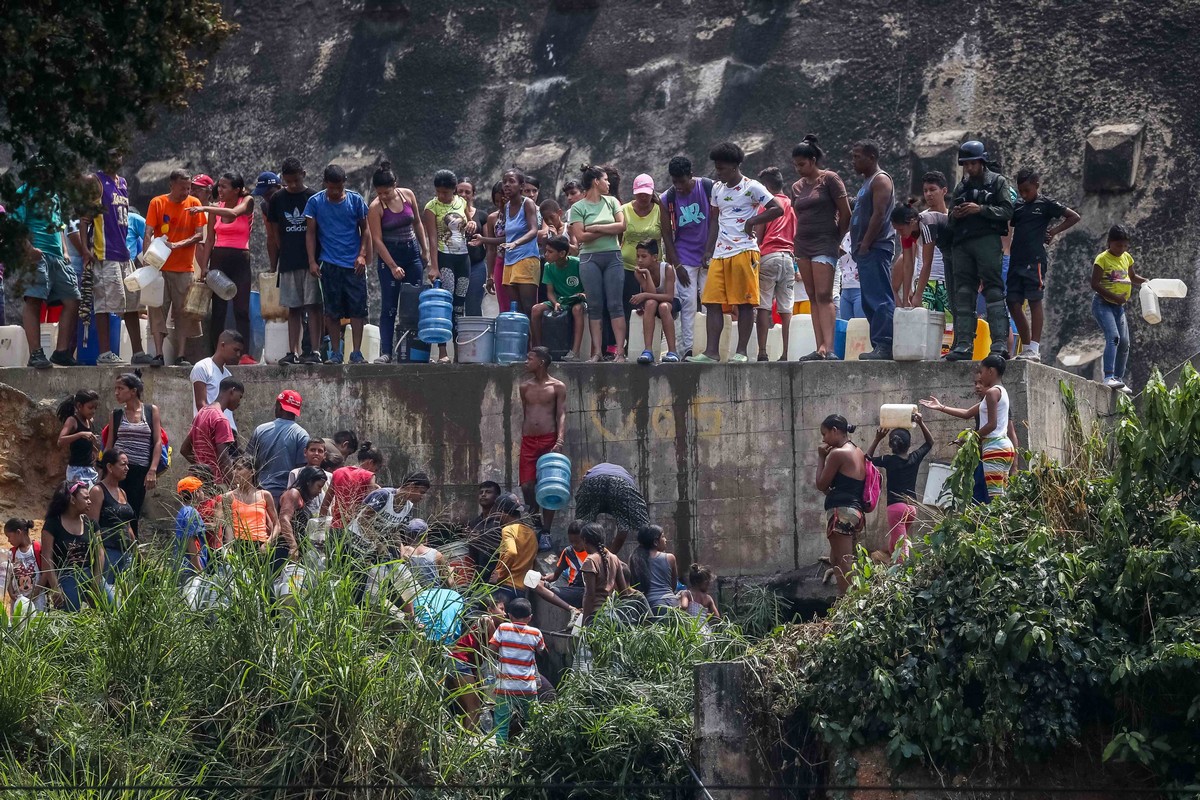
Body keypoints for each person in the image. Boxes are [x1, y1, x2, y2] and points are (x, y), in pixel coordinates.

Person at [688, 142, 782, 363]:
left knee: (744, 302)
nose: (717, 172)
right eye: (716, 168)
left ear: (735, 166)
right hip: (720, 253)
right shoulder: (718, 190)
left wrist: (753, 221)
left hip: (744, 250)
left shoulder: (753, 187)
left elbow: (777, 208)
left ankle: (741, 352)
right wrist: (708, 249)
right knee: (711, 301)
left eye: (721, 168)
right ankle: (712, 352)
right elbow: (714, 219)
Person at [945, 141, 1015, 360]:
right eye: (966, 164)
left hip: (987, 241)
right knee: (963, 293)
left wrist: (980, 209)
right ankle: (964, 344)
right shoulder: (961, 187)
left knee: (993, 291)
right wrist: (956, 214)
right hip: (963, 244)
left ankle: (999, 345)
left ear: (982, 162)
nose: (969, 168)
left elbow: (1007, 210)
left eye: (973, 163)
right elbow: (949, 219)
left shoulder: (997, 182)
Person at [81, 149, 147, 366]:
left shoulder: (122, 183)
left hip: (123, 252)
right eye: (110, 154)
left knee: (131, 302)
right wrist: (85, 250)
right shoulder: (96, 181)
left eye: (119, 155)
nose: (115, 159)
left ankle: (137, 352)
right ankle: (105, 353)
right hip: (104, 252)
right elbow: (84, 219)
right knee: (105, 303)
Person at [1008, 168, 1081, 362]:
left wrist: (1054, 231)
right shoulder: (1019, 207)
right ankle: (1025, 349)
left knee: (1034, 300)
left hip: (1035, 260)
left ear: (1037, 186)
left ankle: (1034, 348)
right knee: (1013, 302)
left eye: (1027, 190)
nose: (1024, 195)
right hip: (1016, 260)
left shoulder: (1046, 204)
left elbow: (1074, 216)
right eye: (1020, 191)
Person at [921, 354, 1018, 499]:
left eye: (982, 371)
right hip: (1004, 447)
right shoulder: (1001, 391)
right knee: (1000, 495)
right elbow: (967, 413)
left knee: (995, 499)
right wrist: (941, 407)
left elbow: (992, 425)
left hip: (994, 447)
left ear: (991, 371)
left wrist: (971, 439)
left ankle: (996, 521)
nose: (981, 375)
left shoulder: (992, 392)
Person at [790, 136, 851, 360]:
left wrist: (837, 238)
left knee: (825, 295)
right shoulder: (796, 187)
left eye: (802, 164)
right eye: (795, 165)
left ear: (813, 160)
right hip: (803, 243)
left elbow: (846, 213)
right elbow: (799, 214)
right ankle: (820, 348)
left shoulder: (830, 179)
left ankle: (831, 347)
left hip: (825, 241)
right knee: (813, 295)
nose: (798, 169)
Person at [305, 164, 372, 364]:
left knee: (357, 310)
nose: (335, 192)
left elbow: (365, 230)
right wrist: (312, 261)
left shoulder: (355, 201)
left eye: (339, 188)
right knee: (332, 311)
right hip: (329, 262)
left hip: (353, 264)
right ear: (325, 183)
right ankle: (336, 352)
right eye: (331, 187)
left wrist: (362, 255)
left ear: (344, 184)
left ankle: (357, 352)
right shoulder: (315, 202)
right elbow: (310, 233)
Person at [368, 161, 431, 363]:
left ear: (395, 184)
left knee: (416, 302)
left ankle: (416, 351)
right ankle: (387, 352)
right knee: (389, 305)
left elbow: (418, 223)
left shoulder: (408, 195)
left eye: (386, 192)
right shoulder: (376, 208)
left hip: (411, 253)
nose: (383, 196)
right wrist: (393, 266)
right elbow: (377, 240)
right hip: (390, 257)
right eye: (380, 193)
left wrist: (425, 249)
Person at [14, 178, 81, 368]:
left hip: (58, 257)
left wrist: (65, 251)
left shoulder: (53, 194)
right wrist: (29, 249)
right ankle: (35, 353)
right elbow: (15, 225)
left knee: (73, 299)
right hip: (37, 254)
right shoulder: (23, 192)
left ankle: (61, 352)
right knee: (34, 300)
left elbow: (59, 225)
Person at [145, 169, 206, 367]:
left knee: (183, 313)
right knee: (157, 310)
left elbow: (199, 235)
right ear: (172, 185)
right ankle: (158, 354)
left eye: (189, 188)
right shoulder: (158, 202)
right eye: (182, 188)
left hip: (184, 268)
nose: (186, 192)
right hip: (160, 268)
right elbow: (148, 233)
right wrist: (147, 261)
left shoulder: (194, 204)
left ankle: (181, 355)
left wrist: (177, 245)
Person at [192, 173, 256, 361]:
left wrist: (205, 207)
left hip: (240, 259)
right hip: (219, 260)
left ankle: (244, 354)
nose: (219, 190)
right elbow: (210, 239)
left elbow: (235, 213)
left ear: (236, 190)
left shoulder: (247, 201)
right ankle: (215, 354)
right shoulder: (215, 208)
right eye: (218, 186)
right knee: (218, 310)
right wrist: (204, 267)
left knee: (241, 310)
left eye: (224, 187)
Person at [568, 165, 627, 361]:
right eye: (605, 179)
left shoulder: (612, 202)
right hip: (589, 258)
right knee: (594, 306)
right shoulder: (578, 207)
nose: (608, 183)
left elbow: (622, 226)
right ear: (596, 182)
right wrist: (605, 230)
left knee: (616, 305)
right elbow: (581, 237)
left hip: (613, 257)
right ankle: (597, 353)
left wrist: (597, 227)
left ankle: (620, 352)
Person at [266, 158, 322, 365]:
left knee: (314, 305)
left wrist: (315, 259)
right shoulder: (277, 199)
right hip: (289, 261)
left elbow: (318, 230)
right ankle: (293, 351)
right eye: (288, 182)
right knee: (293, 308)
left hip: (312, 262)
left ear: (304, 175)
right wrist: (278, 260)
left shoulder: (314, 197)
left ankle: (315, 350)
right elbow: (274, 234)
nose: (292, 186)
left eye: (296, 181)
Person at [848, 140, 897, 360]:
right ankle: (878, 344)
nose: (853, 161)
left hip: (876, 247)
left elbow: (879, 214)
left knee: (880, 298)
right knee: (869, 300)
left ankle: (885, 345)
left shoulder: (880, 180)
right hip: (865, 250)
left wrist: (866, 243)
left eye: (858, 156)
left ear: (872, 157)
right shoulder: (866, 183)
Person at [661, 157, 712, 359]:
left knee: (710, 303)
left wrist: (711, 250)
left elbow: (718, 219)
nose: (679, 186)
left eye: (682, 181)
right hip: (684, 256)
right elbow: (666, 234)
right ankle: (688, 349)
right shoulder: (668, 198)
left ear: (691, 175)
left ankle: (709, 348)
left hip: (709, 254)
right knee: (688, 303)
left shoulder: (708, 187)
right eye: (675, 182)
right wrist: (678, 264)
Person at [620, 174, 679, 342]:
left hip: (654, 268)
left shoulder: (660, 209)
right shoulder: (624, 210)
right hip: (627, 266)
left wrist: (669, 264)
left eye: (646, 193)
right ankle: (628, 343)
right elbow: (618, 238)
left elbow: (667, 237)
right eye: (639, 193)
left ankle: (654, 345)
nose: (643, 197)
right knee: (628, 306)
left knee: (652, 304)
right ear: (634, 192)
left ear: (652, 191)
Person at [867, 412, 934, 560]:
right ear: (909, 445)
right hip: (912, 508)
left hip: (896, 509)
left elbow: (868, 459)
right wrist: (921, 423)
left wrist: (877, 439)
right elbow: (930, 442)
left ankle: (902, 574)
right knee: (895, 542)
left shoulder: (889, 460)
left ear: (891, 445)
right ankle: (894, 564)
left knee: (900, 547)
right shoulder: (914, 458)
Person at [101, 373, 162, 535]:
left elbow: (157, 442)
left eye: (120, 388)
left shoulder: (150, 411)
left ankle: (131, 552)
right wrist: (102, 471)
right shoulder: (116, 414)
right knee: (113, 510)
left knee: (132, 512)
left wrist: (152, 470)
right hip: (116, 470)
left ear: (133, 391)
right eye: (115, 389)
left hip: (139, 471)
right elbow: (110, 445)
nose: (116, 393)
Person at [422, 169, 473, 360]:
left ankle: (459, 351)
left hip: (463, 257)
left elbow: (469, 222)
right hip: (445, 257)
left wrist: (472, 225)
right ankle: (442, 351)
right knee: (445, 304)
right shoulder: (431, 207)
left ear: (454, 190)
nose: (442, 196)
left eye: (445, 192)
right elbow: (432, 238)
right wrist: (433, 266)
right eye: (438, 192)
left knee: (460, 305)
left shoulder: (462, 202)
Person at [814, 414, 867, 595]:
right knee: (836, 560)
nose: (823, 439)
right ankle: (844, 604)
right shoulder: (857, 451)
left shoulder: (837, 454)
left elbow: (821, 484)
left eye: (825, 434)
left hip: (842, 512)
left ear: (835, 431)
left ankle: (851, 605)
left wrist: (821, 457)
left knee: (844, 562)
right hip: (854, 511)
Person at [1089, 225, 1146, 389]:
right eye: (1118, 245)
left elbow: (1133, 277)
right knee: (1114, 337)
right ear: (1109, 243)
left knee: (1125, 342)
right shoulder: (1102, 259)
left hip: (1118, 307)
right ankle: (1108, 376)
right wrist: (1115, 297)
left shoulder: (1127, 257)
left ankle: (1119, 378)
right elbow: (1094, 284)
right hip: (1103, 304)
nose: (1122, 249)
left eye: (1125, 245)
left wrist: (1147, 282)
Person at [519, 347, 567, 534]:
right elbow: (526, 413)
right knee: (527, 485)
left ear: (541, 362)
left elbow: (561, 413)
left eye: (529, 358)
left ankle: (545, 530)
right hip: (529, 440)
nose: (526, 362)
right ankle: (535, 522)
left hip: (549, 439)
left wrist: (560, 440)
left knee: (550, 486)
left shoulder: (557, 386)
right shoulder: (525, 387)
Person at [753, 167, 799, 361]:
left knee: (763, 306)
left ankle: (762, 352)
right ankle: (786, 353)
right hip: (788, 258)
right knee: (786, 308)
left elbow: (759, 235)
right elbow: (796, 235)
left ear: (766, 186)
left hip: (769, 256)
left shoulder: (766, 205)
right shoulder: (791, 205)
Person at [488, 597, 546, 743]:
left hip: (505, 688)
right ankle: (532, 751)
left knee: (501, 725)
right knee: (532, 723)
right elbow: (542, 652)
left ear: (510, 616)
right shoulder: (536, 633)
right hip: (527, 687)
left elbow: (491, 650)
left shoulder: (503, 628)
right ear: (530, 617)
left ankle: (500, 756)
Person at [39, 482, 101, 612]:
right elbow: (47, 558)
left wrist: (96, 580)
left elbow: (100, 553)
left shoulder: (91, 524)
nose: (90, 501)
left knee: (113, 608)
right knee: (72, 615)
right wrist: (55, 588)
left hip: (90, 573)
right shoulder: (52, 524)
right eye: (85, 498)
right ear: (72, 500)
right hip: (66, 575)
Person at [247, 390, 309, 506]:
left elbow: (247, 462)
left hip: (259, 493)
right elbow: (301, 471)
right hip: (286, 496)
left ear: (279, 407)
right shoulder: (302, 435)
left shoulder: (260, 430)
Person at [220, 457, 288, 563]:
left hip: (261, 546)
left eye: (239, 469)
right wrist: (229, 547)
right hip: (238, 545)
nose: (234, 472)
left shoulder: (264, 495)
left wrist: (268, 543)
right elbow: (229, 526)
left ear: (252, 472)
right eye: (234, 469)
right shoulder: (228, 497)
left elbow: (277, 525)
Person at [496, 169, 543, 317]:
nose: (507, 185)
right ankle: (522, 340)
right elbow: (507, 238)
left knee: (529, 307)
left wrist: (515, 244)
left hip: (526, 258)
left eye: (511, 181)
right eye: (505, 182)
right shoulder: (507, 206)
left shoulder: (527, 203)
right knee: (516, 310)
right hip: (509, 261)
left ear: (521, 186)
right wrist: (483, 240)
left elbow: (533, 230)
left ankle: (536, 341)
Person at [181, 377, 244, 487]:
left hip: (199, 483)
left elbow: (185, 450)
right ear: (232, 391)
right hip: (216, 484)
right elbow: (223, 458)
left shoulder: (202, 413)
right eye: (240, 396)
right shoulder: (221, 419)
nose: (239, 403)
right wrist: (233, 486)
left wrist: (202, 469)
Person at [574, 462, 648, 553]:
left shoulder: (591, 472)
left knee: (581, 523)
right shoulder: (624, 474)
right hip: (622, 484)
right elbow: (626, 527)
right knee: (642, 527)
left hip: (592, 482)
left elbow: (582, 486)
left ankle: (590, 557)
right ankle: (609, 558)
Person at [88, 449, 138, 586]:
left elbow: (127, 526)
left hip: (127, 554)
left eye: (127, 464)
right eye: (123, 464)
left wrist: (136, 550)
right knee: (108, 598)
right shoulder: (98, 491)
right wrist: (99, 557)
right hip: (108, 554)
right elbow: (92, 526)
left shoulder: (122, 492)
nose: (127, 468)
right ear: (110, 467)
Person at [531, 235, 585, 359]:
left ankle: (575, 352)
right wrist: (555, 303)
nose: (546, 254)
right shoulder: (548, 267)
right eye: (546, 251)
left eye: (550, 252)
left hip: (577, 300)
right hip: (560, 300)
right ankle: (540, 350)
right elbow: (550, 292)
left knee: (577, 310)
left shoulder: (577, 263)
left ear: (562, 253)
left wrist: (583, 294)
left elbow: (588, 286)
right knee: (536, 309)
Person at [319, 441, 383, 543]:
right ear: (370, 462)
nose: (375, 471)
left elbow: (325, 504)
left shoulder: (338, 472)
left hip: (336, 529)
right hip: (356, 531)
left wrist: (320, 528)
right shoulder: (369, 476)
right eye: (377, 468)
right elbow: (370, 508)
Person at [630, 239, 680, 363]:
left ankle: (672, 351)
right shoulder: (639, 272)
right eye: (637, 256)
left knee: (663, 307)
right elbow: (651, 295)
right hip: (654, 301)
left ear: (654, 257)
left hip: (671, 302)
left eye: (643, 256)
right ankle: (648, 350)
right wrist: (646, 273)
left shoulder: (667, 268)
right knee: (650, 303)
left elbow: (669, 297)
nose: (639, 260)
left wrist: (644, 294)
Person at [356, 472, 431, 551]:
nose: (422, 497)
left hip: (372, 547)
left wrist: (401, 551)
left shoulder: (408, 508)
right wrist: (378, 544)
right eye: (421, 492)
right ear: (411, 486)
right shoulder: (384, 495)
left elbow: (394, 532)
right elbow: (362, 520)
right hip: (356, 540)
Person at [488, 493, 537, 605]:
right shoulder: (531, 533)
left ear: (503, 513)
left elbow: (511, 552)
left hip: (507, 586)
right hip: (522, 589)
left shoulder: (508, 530)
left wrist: (499, 574)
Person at [913, 171, 952, 312]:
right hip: (925, 284)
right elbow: (910, 256)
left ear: (944, 191)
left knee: (949, 329)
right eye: (925, 191)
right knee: (923, 328)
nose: (928, 194)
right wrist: (913, 290)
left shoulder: (953, 219)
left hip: (948, 281)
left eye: (932, 189)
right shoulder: (920, 220)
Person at [191, 330, 244, 431]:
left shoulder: (228, 375)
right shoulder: (202, 367)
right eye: (235, 350)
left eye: (240, 352)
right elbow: (201, 405)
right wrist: (218, 428)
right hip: (211, 431)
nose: (238, 355)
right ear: (222, 345)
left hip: (229, 431)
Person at [579, 521, 629, 624]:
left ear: (584, 540)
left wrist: (584, 622)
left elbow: (590, 595)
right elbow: (624, 592)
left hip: (596, 615)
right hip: (611, 615)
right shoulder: (614, 558)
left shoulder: (590, 561)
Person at [535, 519, 588, 610]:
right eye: (572, 542)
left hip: (589, 593)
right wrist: (544, 578)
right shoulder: (568, 552)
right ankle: (572, 609)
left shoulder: (594, 552)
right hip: (573, 592)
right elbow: (555, 576)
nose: (574, 545)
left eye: (577, 542)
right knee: (537, 585)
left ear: (585, 539)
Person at [457, 179, 491, 317]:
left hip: (476, 265)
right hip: (455, 265)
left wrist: (490, 271)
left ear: (473, 194)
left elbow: (489, 245)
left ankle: (474, 337)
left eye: (467, 192)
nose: (464, 194)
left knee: (474, 304)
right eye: (460, 191)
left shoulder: (482, 216)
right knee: (456, 304)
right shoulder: (448, 214)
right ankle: (454, 337)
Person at [279, 466, 328, 559]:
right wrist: (293, 546)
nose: (320, 491)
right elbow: (284, 519)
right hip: (285, 549)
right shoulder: (293, 494)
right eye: (319, 486)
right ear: (308, 482)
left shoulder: (302, 499)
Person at [629, 524, 679, 614]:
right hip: (673, 603)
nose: (665, 540)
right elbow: (673, 585)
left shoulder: (635, 558)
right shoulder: (670, 558)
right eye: (663, 536)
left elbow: (634, 585)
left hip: (650, 606)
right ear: (656, 542)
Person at [57, 389, 101, 484]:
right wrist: (80, 434)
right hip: (76, 471)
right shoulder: (72, 421)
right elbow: (60, 441)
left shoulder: (89, 421)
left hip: (89, 469)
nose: (93, 411)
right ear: (79, 406)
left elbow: (84, 441)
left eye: (95, 408)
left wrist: (93, 449)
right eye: (90, 408)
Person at [5, 518, 44, 613]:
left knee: (37, 624)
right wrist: (11, 592)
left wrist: (37, 592)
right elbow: (9, 576)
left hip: (37, 599)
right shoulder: (12, 553)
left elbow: (45, 573)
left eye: (9, 536)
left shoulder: (38, 549)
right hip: (18, 601)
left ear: (18, 532)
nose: (8, 540)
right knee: (19, 625)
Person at [175, 476, 209, 580]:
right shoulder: (191, 513)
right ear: (196, 492)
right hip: (192, 569)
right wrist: (199, 570)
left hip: (183, 566)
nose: (203, 492)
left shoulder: (183, 511)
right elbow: (191, 542)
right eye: (201, 490)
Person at [467, 480, 503, 579]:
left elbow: (507, 548)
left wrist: (482, 539)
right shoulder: (474, 522)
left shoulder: (502, 520)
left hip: (497, 575)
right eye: (481, 492)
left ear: (497, 497)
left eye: (488, 492)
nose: (483, 495)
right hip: (479, 575)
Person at [484, 182, 510, 311]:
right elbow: (491, 249)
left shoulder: (520, 215)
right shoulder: (493, 218)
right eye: (497, 201)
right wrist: (490, 275)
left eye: (503, 201)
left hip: (519, 260)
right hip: (501, 262)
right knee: (504, 304)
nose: (500, 205)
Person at [891, 200, 921, 309]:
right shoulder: (903, 258)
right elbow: (908, 265)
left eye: (901, 229)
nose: (900, 234)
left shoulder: (924, 231)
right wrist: (904, 302)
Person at [837, 232, 863, 320]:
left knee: (860, 327)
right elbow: (840, 260)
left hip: (860, 289)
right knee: (846, 328)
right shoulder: (846, 236)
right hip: (845, 289)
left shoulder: (868, 234)